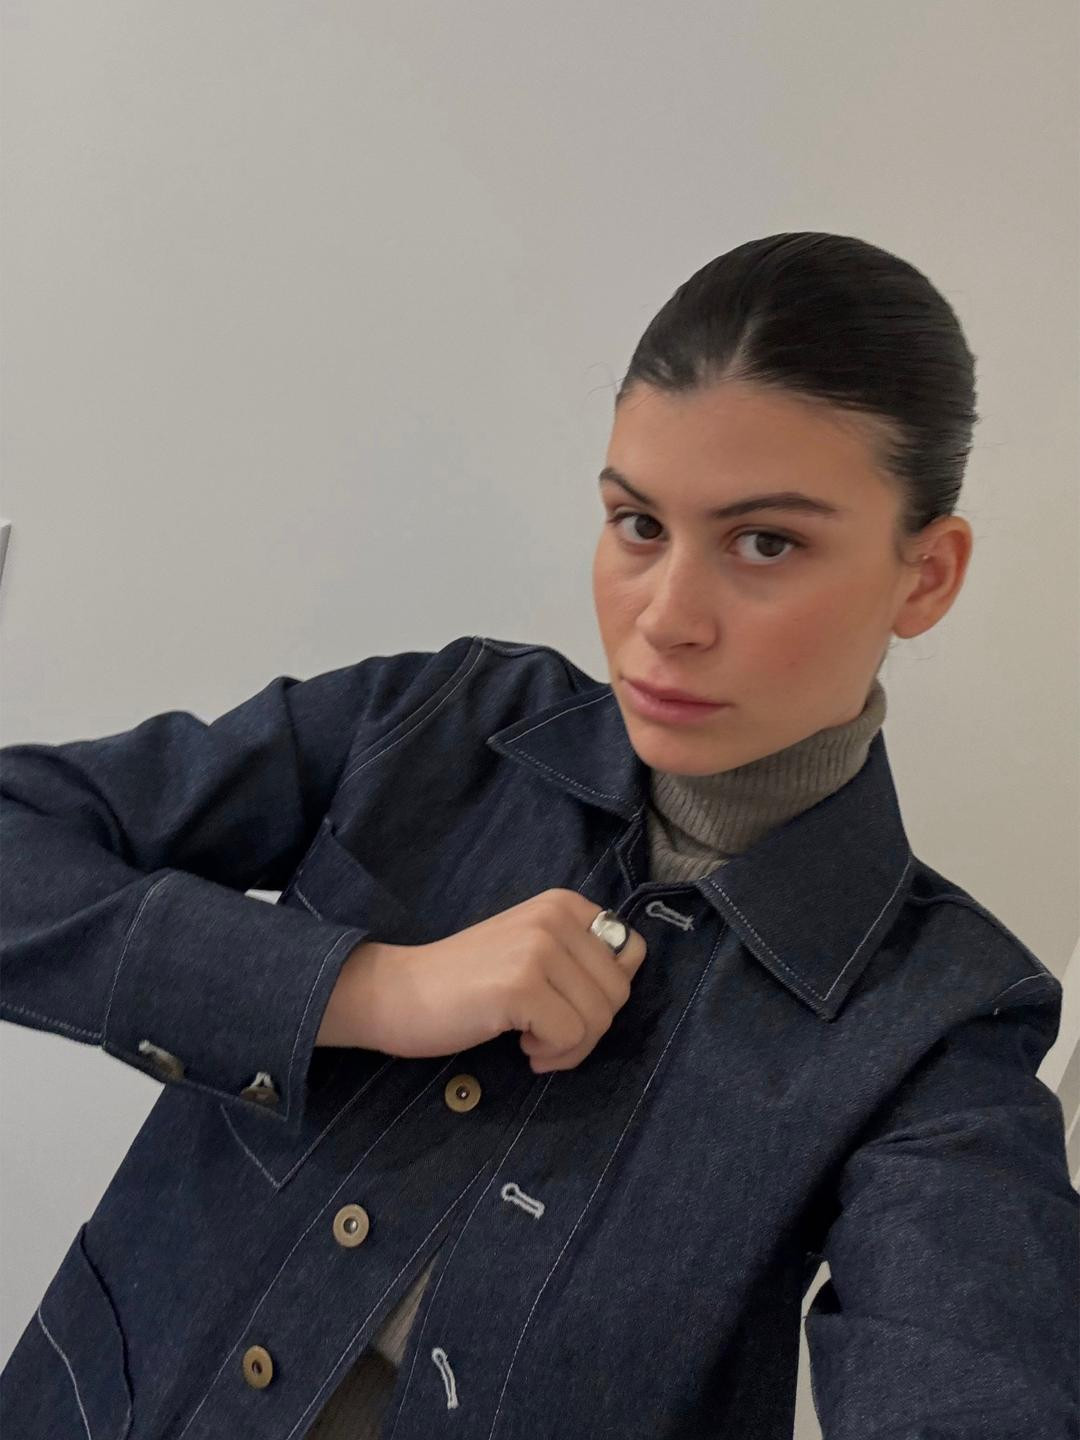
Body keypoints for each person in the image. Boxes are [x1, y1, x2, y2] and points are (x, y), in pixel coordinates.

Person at [1, 231, 1076, 1440]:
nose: (665, 619)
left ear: (926, 577)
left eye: (766, 542)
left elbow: (974, 1368)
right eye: (638, 524)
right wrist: (367, 989)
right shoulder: (435, 725)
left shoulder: (940, 1019)